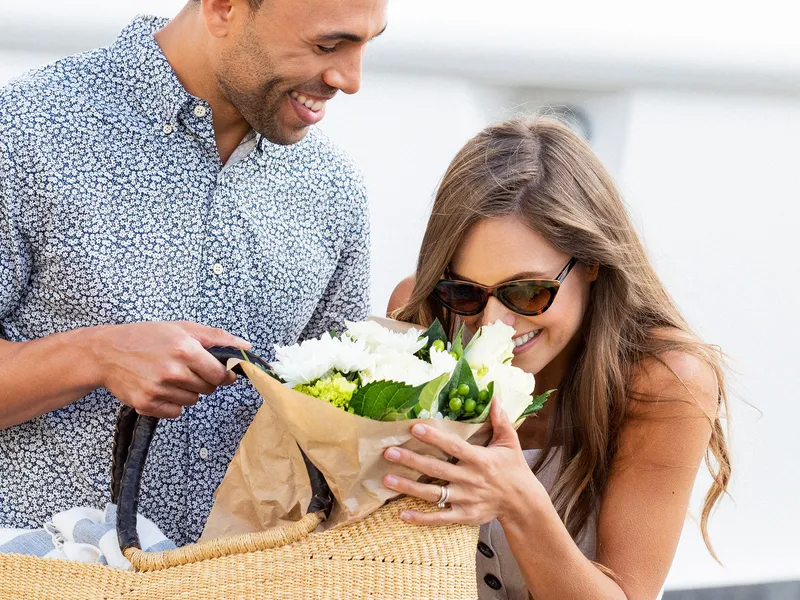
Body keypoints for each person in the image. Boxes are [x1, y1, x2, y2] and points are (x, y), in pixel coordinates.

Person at [0, 0, 387, 545]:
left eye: (369, 44)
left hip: (245, 581)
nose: (350, 79)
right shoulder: (23, 131)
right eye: (328, 45)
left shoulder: (335, 192)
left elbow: (336, 432)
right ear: (223, 7)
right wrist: (95, 356)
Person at [385, 116, 730, 600]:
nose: (494, 325)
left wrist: (520, 503)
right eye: (465, 291)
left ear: (591, 262)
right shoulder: (426, 316)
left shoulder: (665, 379)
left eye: (527, 292)